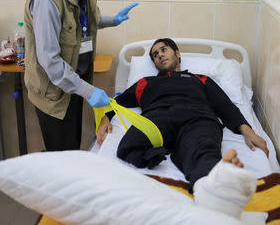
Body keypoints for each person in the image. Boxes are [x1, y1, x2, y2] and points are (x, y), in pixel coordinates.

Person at [96, 38, 269, 218]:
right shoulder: (144, 83)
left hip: (197, 117)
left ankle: (212, 192)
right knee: (129, 144)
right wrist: (105, 117)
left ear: (177, 54)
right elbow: (118, 102)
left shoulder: (201, 79)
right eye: (155, 55)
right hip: (157, 118)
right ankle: (154, 157)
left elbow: (225, 106)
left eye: (164, 50)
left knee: (204, 151)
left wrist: (247, 130)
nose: (160, 55)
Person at [24, 0, 137, 151]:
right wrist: (89, 91)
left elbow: (83, 23)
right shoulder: (48, 0)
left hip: (74, 83)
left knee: (72, 148)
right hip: (54, 93)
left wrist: (112, 20)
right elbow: (50, 62)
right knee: (62, 154)